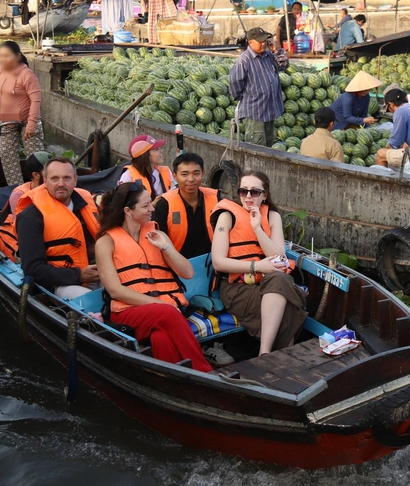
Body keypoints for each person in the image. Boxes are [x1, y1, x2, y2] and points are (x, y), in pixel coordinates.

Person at [95, 182, 213, 373]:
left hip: (161, 313)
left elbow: (188, 273)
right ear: (128, 211)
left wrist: (165, 246)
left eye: (151, 203)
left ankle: (172, 379)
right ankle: (205, 372)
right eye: (145, 205)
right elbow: (115, 290)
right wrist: (160, 305)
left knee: (161, 337)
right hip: (127, 313)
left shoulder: (156, 234)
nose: (152, 208)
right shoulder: (106, 242)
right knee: (168, 314)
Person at [210, 171, 306, 355]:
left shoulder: (272, 216)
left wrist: (258, 229)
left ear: (264, 195)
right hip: (236, 288)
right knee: (287, 301)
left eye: (254, 192)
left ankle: (265, 352)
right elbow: (218, 262)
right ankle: (277, 354)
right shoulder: (227, 216)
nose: (248, 196)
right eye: (243, 191)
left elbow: (279, 256)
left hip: (268, 282)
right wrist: (257, 266)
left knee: (280, 281)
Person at [15, 157, 101, 299]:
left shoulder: (87, 205)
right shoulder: (30, 217)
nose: (61, 184)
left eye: (66, 178)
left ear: (75, 180)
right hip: (59, 283)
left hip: (98, 272)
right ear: (45, 181)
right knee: (92, 301)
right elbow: (33, 269)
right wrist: (78, 275)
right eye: (54, 178)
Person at [0, 41, 45, 187]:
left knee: (36, 159)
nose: (3, 59)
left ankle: (41, 188)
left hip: (28, 122)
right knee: (7, 157)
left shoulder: (27, 75)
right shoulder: (1, 70)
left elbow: (36, 100)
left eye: (7, 56)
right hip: (8, 122)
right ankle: (16, 190)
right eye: (1, 56)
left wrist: (31, 124)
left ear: (17, 56)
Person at [228, 27, 289, 147]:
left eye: (265, 40)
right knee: (256, 150)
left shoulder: (269, 55)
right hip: (255, 114)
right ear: (250, 42)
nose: (264, 43)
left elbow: (284, 65)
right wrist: (247, 99)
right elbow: (234, 84)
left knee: (268, 149)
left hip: (269, 111)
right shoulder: (244, 60)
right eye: (260, 41)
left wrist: (276, 50)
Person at [152, 152, 218, 259]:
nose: (191, 179)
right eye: (184, 174)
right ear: (175, 177)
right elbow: (159, 242)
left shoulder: (217, 200)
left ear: (203, 174)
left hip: (212, 262)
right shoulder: (164, 204)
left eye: (196, 173)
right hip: (176, 263)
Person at [0, 151, 52, 261]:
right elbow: (25, 230)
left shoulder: (55, 189)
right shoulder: (19, 195)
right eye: (49, 171)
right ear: (36, 175)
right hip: (29, 237)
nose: (54, 174)